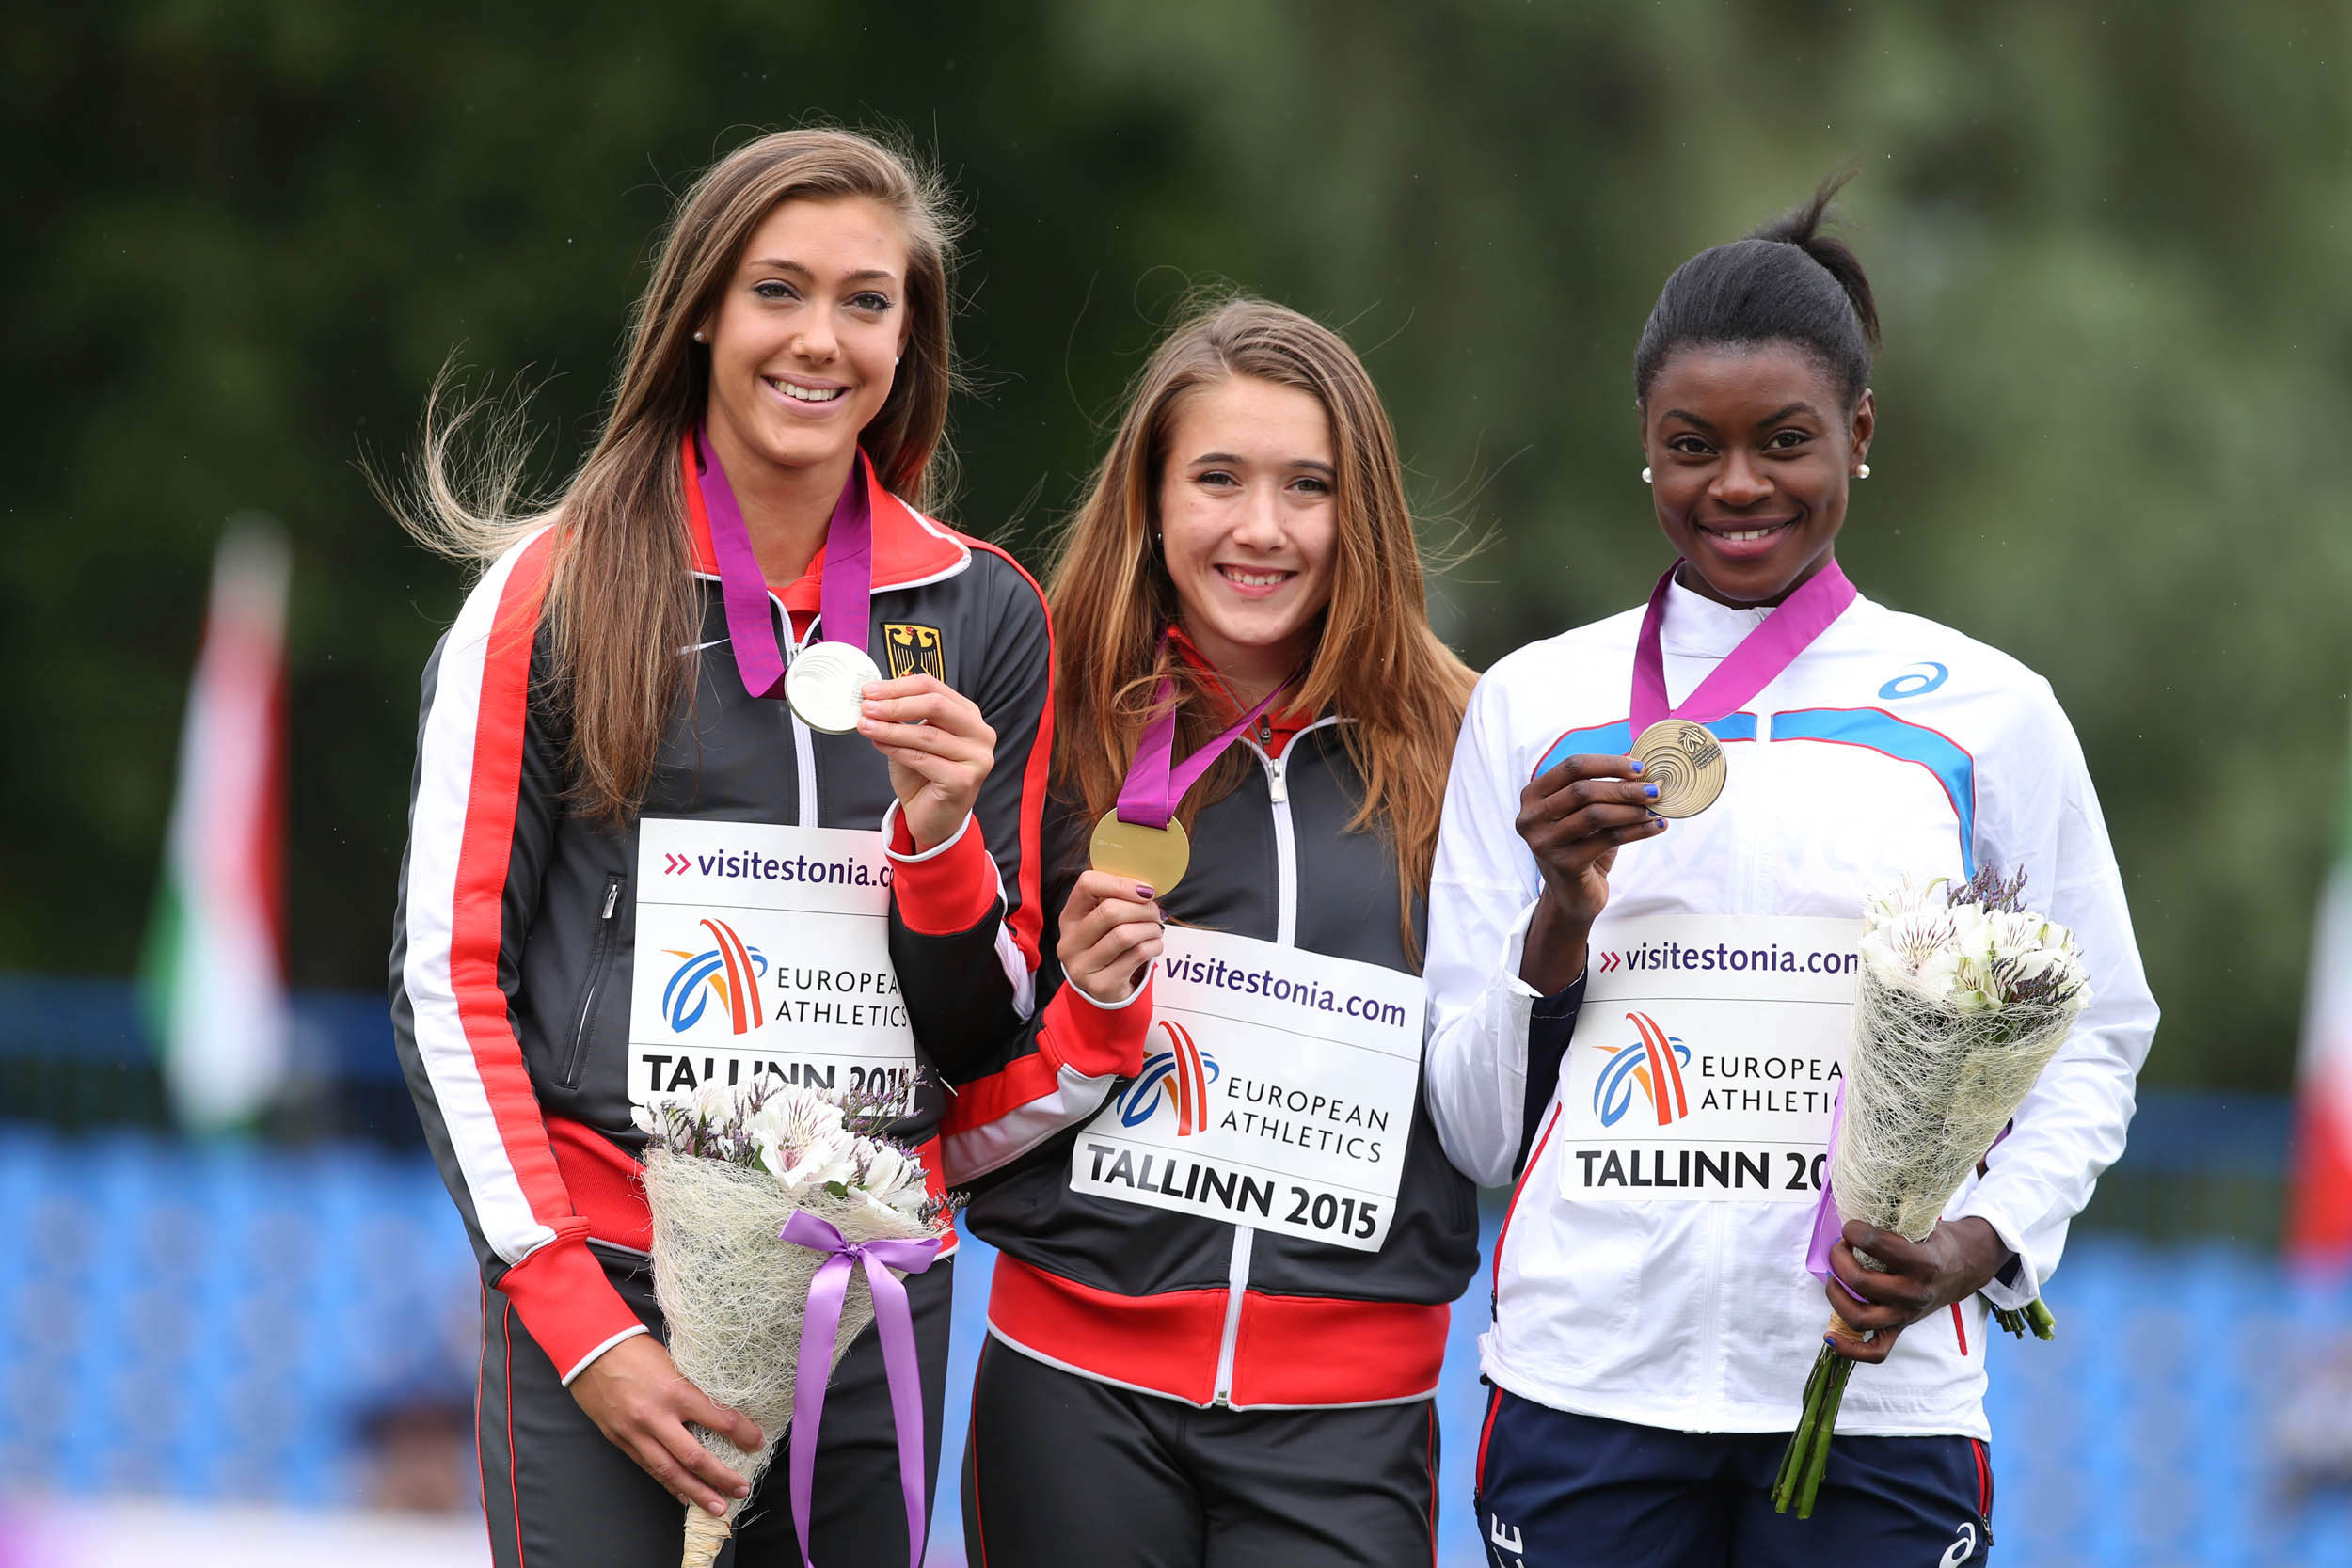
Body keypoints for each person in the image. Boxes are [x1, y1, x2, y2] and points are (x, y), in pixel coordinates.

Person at [1422, 177, 2157, 1566]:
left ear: (1860, 434)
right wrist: (1559, 919)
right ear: (1645, 446)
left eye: (1787, 440)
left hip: (1875, 1392)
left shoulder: (1989, 714)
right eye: (1691, 445)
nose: (1739, 485)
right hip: (1588, 1383)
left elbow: (2097, 1032)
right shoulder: (1533, 705)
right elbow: (1472, 1129)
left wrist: (1980, 1243)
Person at [386, 128, 1054, 1567]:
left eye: (866, 302)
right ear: (701, 311)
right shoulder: (551, 593)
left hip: (867, 1291)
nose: (821, 340)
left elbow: (990, 1030)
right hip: (613, 1296)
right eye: (778, 290)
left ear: (908, 337)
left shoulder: (986, 612)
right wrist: (577, 1319)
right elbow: (449, 980)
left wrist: (940, 838)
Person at [898, 296, 1480, 1567]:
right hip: (1074, 1388)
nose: (1261, 528)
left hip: (1349, 1413)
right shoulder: (1048, 717)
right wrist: (1087, 1013)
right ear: (1152, 500)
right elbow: (953, 1090)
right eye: (1218, 478)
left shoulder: (1468, 743)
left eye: (1308, 486)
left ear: (1363, 514)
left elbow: (1500, 1087)